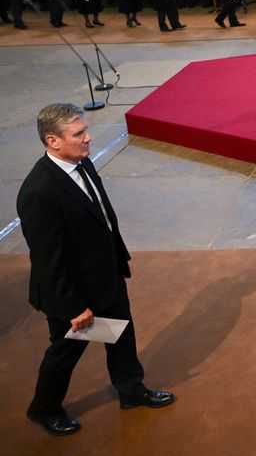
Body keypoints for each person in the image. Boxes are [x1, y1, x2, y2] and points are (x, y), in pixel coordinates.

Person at [17, 103, 175, 437]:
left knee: (121, 333)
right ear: (53, 141)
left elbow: (102, 215)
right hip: (72, 291)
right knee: (66, 350)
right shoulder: (38, 191)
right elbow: (47, 259)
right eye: (79, 134)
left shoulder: (82, 162)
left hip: (105, 274)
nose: (88, 138)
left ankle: (131, 390)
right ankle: (44, 408)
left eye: (85, 130)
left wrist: (119, 254)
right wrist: (74, 307)